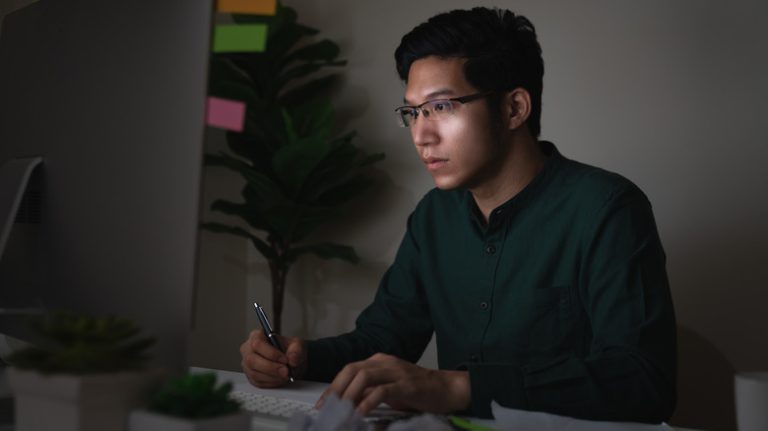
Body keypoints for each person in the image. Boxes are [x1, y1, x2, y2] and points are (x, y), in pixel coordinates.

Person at [240, 6, 676, 423]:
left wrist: (456, 388)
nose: (421, 135)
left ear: (514, 108)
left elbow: (644, 381)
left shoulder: (605, 208)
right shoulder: (435, 216)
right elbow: (382, 341)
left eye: (442, 107)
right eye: (412, 112)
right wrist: (299, 356)